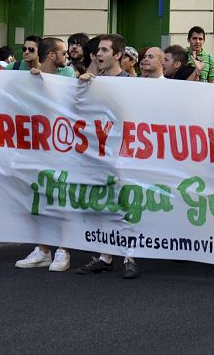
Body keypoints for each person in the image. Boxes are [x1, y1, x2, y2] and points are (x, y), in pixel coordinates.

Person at [76, 34, 140, 278]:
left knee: (125, 204)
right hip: (98, 153)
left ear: (118, 55)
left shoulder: (130, 82)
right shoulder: (93, 81)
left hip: (123, 154)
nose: (99, 54)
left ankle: (130, 256)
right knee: (103, 203)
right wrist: (83, 87)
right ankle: (105, 255)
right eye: (98, 51)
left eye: (104, 50)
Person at [14, 38, 75, 273]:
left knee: (61, 197)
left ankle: (63, 249)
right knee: (39, 195)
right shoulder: (28, 79)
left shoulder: (67, 79)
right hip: (36, 145)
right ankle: (42, 249)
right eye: (63, 53)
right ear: (51, 55)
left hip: (62, 146)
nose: (66, 56)